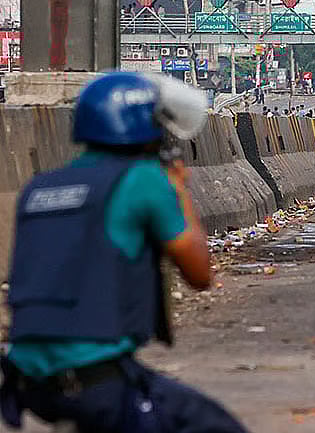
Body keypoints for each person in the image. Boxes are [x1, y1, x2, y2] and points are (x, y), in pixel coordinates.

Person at [0, 72, 247, 432]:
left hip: (28, 383)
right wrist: (177, 188)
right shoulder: (143, 179)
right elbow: (199, 274)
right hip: (95, 382)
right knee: (216, 425)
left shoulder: (39, 189)